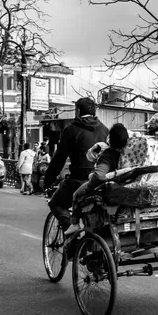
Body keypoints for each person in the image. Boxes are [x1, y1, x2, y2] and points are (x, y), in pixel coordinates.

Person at [44, 97, 109, 234]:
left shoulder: (71, 130)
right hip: (100, 181)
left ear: (78, 111)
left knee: (56, 203)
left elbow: (59, 159)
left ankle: (70, 233)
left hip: (78, 180)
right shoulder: (104, 130)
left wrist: (48, 179)